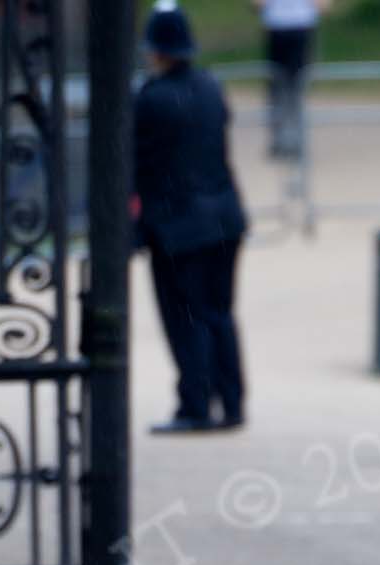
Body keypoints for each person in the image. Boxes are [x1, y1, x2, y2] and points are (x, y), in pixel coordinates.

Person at [134, 2, 248, 434]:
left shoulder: (151, 99)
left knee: (186, 318)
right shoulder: (210, 87)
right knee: (220, 313)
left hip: (178, 226)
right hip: (224, 218)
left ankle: (195, 404)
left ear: (158, 51)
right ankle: (232, 402)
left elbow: (139, 168)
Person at [254, 0, 324, 160]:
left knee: (292, 86)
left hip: (294, 25)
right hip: (283, 26)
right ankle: (284, 138)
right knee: (281, 85)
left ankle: (291, 138)